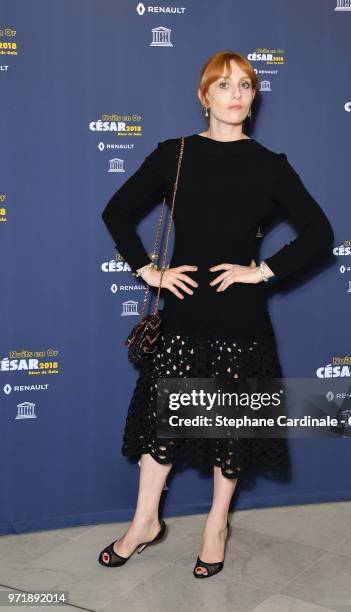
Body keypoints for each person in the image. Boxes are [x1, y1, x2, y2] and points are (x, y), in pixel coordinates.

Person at [98, 50, 334, 578]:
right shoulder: (174, 154)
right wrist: (148, 270)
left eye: (246, 86)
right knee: (165, 423)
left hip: (240, 316)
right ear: (204, 96)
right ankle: (144, 523)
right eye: (224, 85)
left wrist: (264, 271)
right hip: (183, 311)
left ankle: (216, 525)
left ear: (254, 99)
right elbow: (116, 211)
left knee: (230, 429)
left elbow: (320, 234)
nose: (236, 94)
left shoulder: (270, 166)